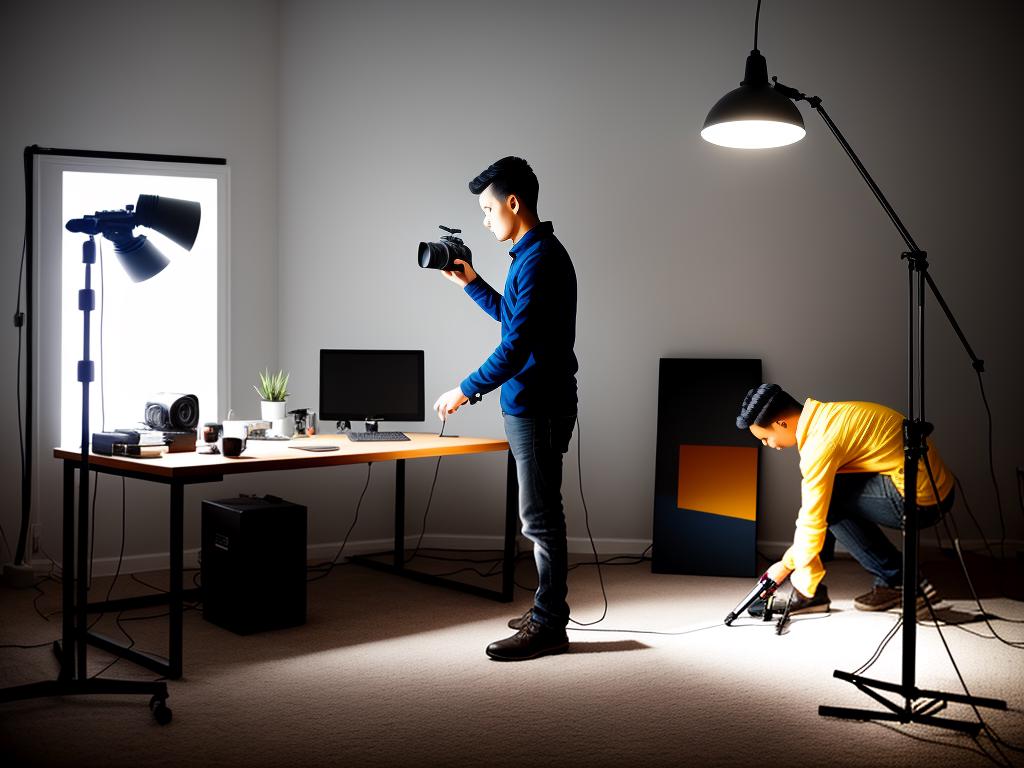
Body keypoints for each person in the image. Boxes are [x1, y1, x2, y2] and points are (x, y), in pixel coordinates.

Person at [432, 156, 578, 661]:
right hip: (532, 403)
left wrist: (465, 389)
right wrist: (471, 283)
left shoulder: (538, 259)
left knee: (539, 519)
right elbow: (517, 323)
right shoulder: (531, 254)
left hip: (538, 405)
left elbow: (515, 348)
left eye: (488, 209)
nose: (485, 219)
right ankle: (546, 609)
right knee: (539, 514)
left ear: (513, 204)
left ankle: (550, 624)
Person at [735, 383, 955, 615]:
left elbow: (813, 518)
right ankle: (818, 587)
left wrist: (786, 565)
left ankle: (897, 581)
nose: (766, 444)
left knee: (827, 504)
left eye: (765, 438)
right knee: (830, 493)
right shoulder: (828, 416)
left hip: (923, 501)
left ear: (781, 423)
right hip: (938, 485)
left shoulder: (820, 443)